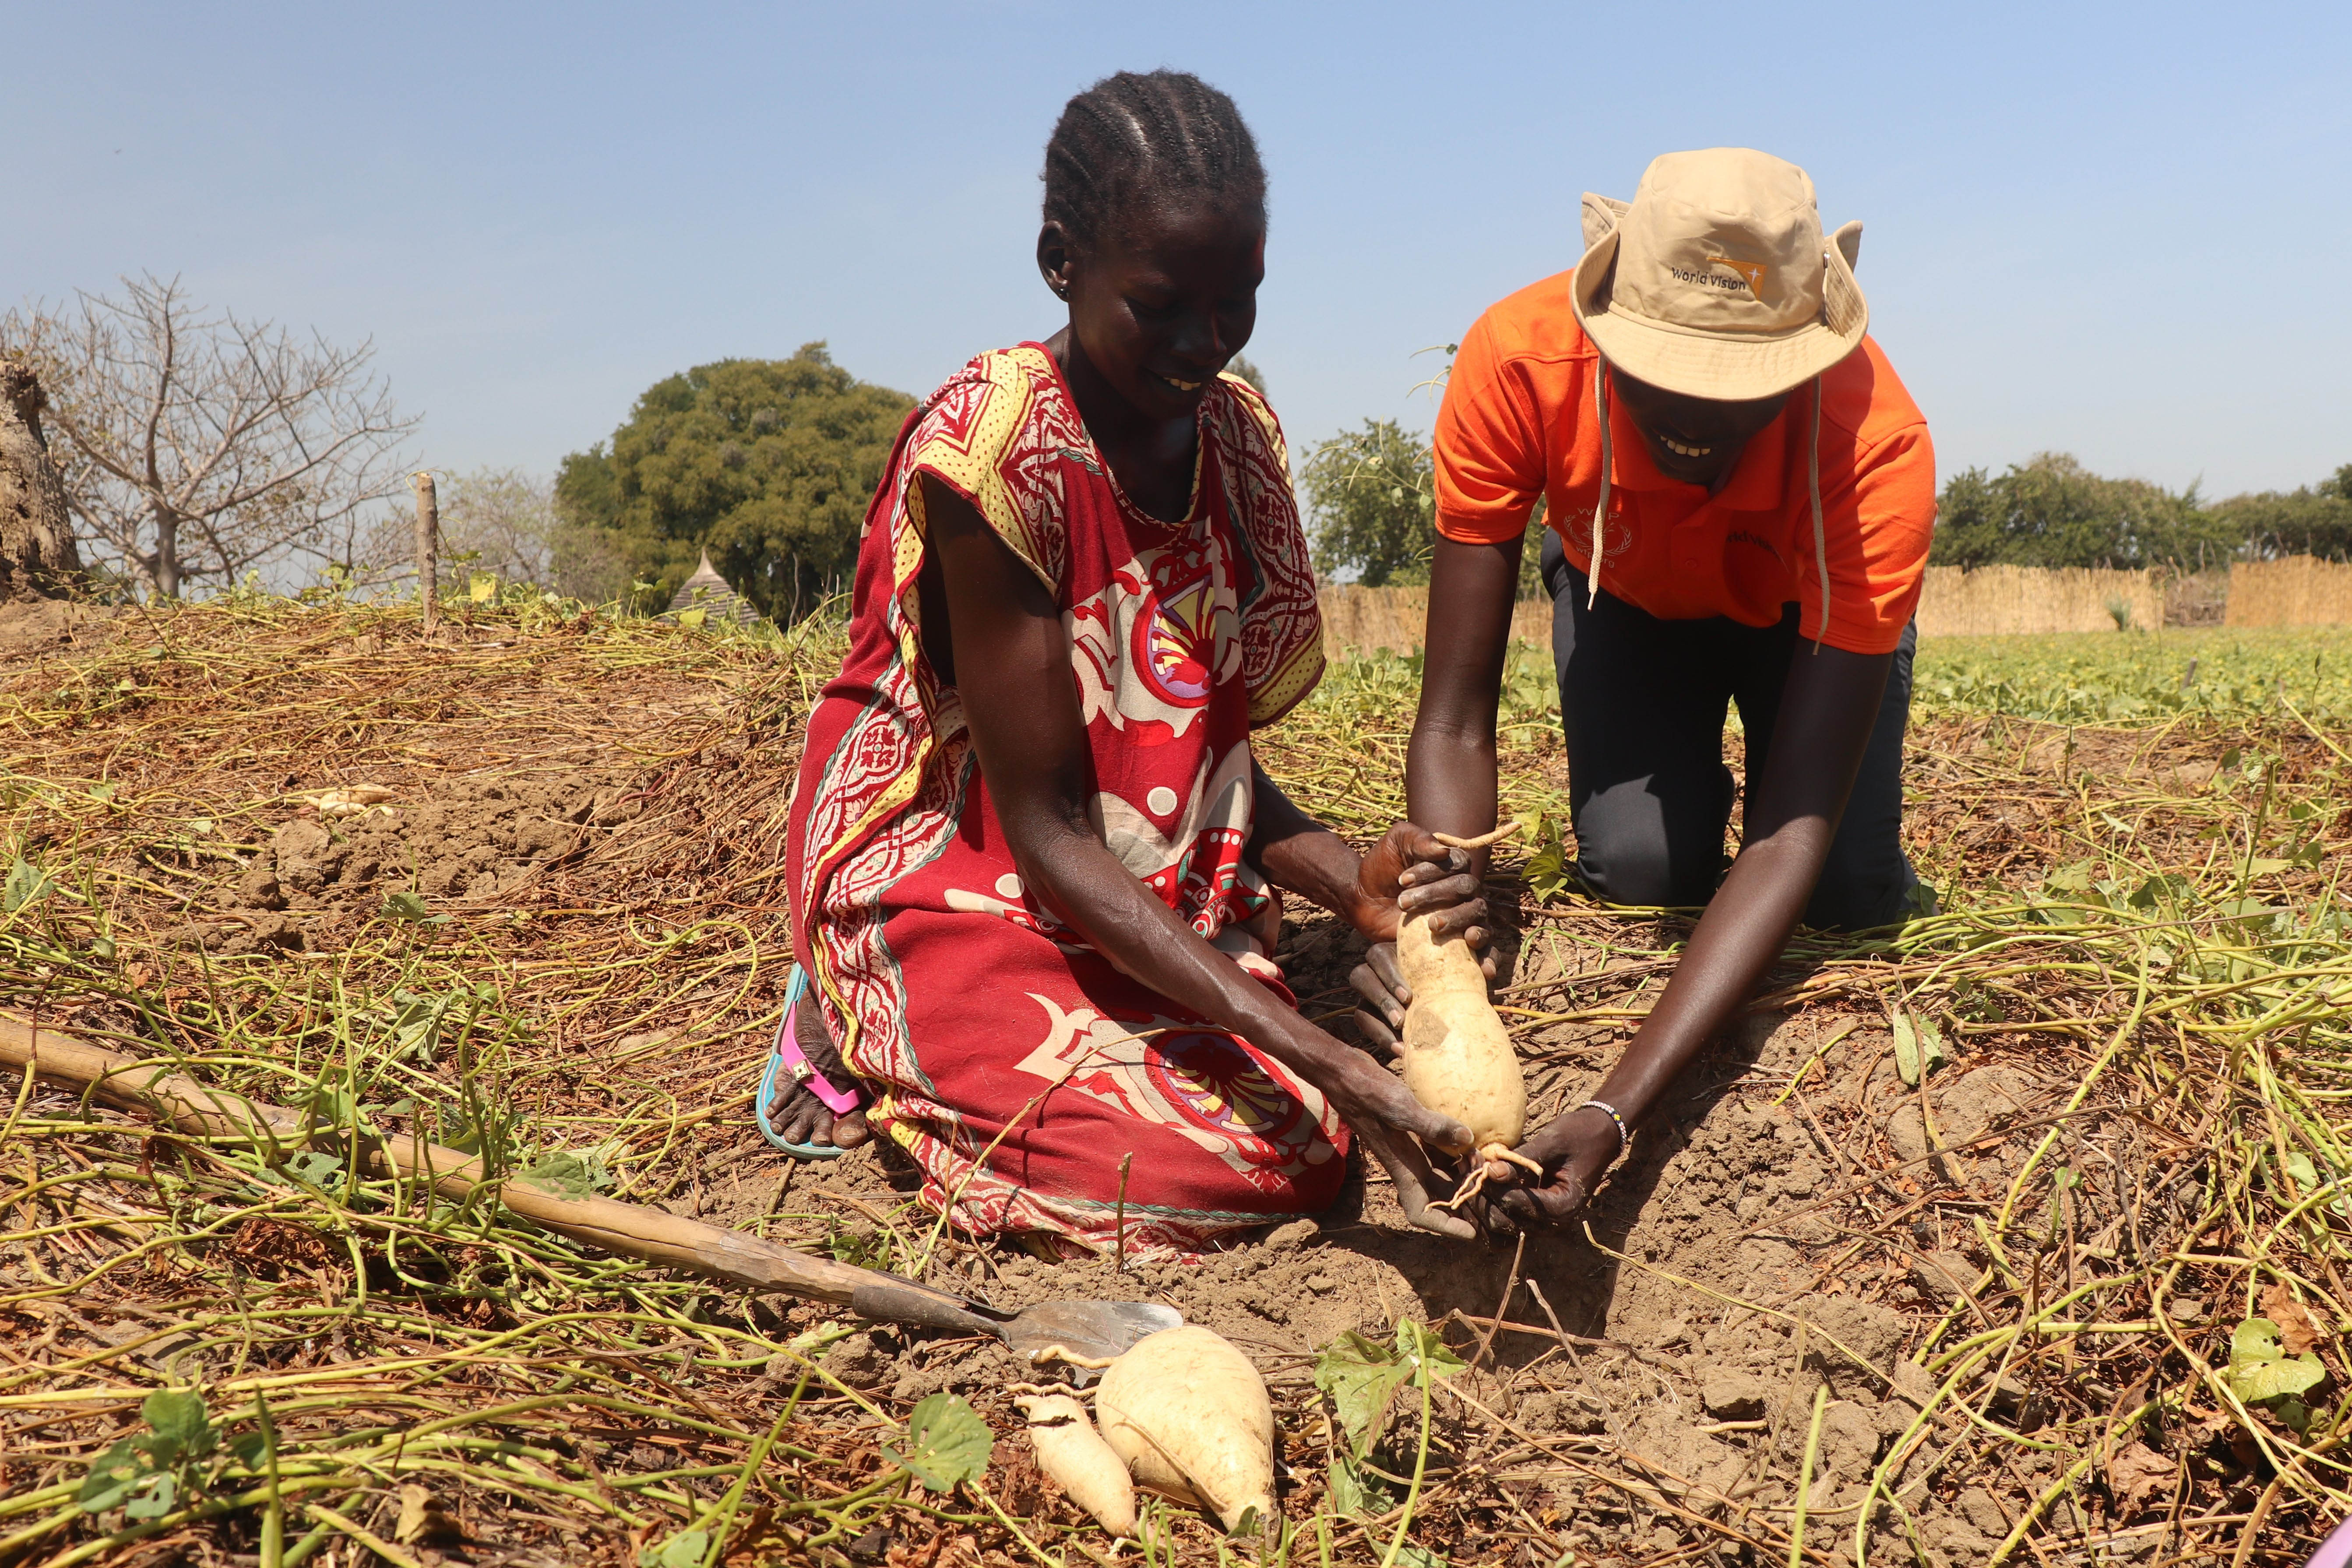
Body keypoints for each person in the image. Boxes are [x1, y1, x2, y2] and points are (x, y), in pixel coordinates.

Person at [761, 70, 1489, 1252]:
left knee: (1297, 1139)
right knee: (1203, 1165)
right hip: (962, 847)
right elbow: (1048, 835)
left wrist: (1350, 880)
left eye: (1236, 300)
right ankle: (846, 1002)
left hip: (1125, 865)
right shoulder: (996, 459)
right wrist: (1314, 1047)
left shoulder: (1234, 444)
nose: (1206, 344)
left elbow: (1196, 767)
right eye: (1161, 306)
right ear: (1061, 261)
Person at [1367, 148, 1938, 1228]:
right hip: (1626, 595)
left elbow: (1785, 833)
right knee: (1641, 870)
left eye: (1734, 393)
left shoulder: (1877, 446)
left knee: (1844, 900)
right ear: (1602, 328)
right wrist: (1445, 929)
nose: (1689, 415)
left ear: (1802, 362)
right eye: (1657, 372)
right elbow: (1453, 714)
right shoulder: (1518, 360)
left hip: (1798, 630)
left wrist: (1616, 1107)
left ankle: (1861, 875)